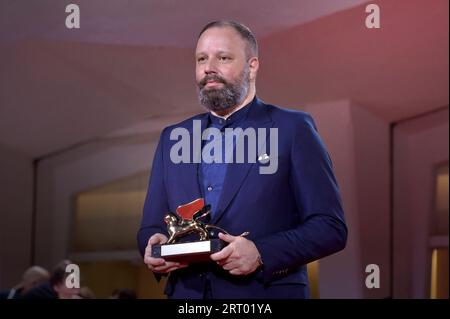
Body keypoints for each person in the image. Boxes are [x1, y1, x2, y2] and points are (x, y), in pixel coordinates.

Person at [137, 20, 347, 299]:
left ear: (252, 66)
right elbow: (151, 225)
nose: (208, 67)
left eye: (222, 57)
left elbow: (329, 228)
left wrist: (261, 253)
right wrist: (153, 243)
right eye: (201, 59)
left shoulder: (293, 129)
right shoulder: (172, 137)